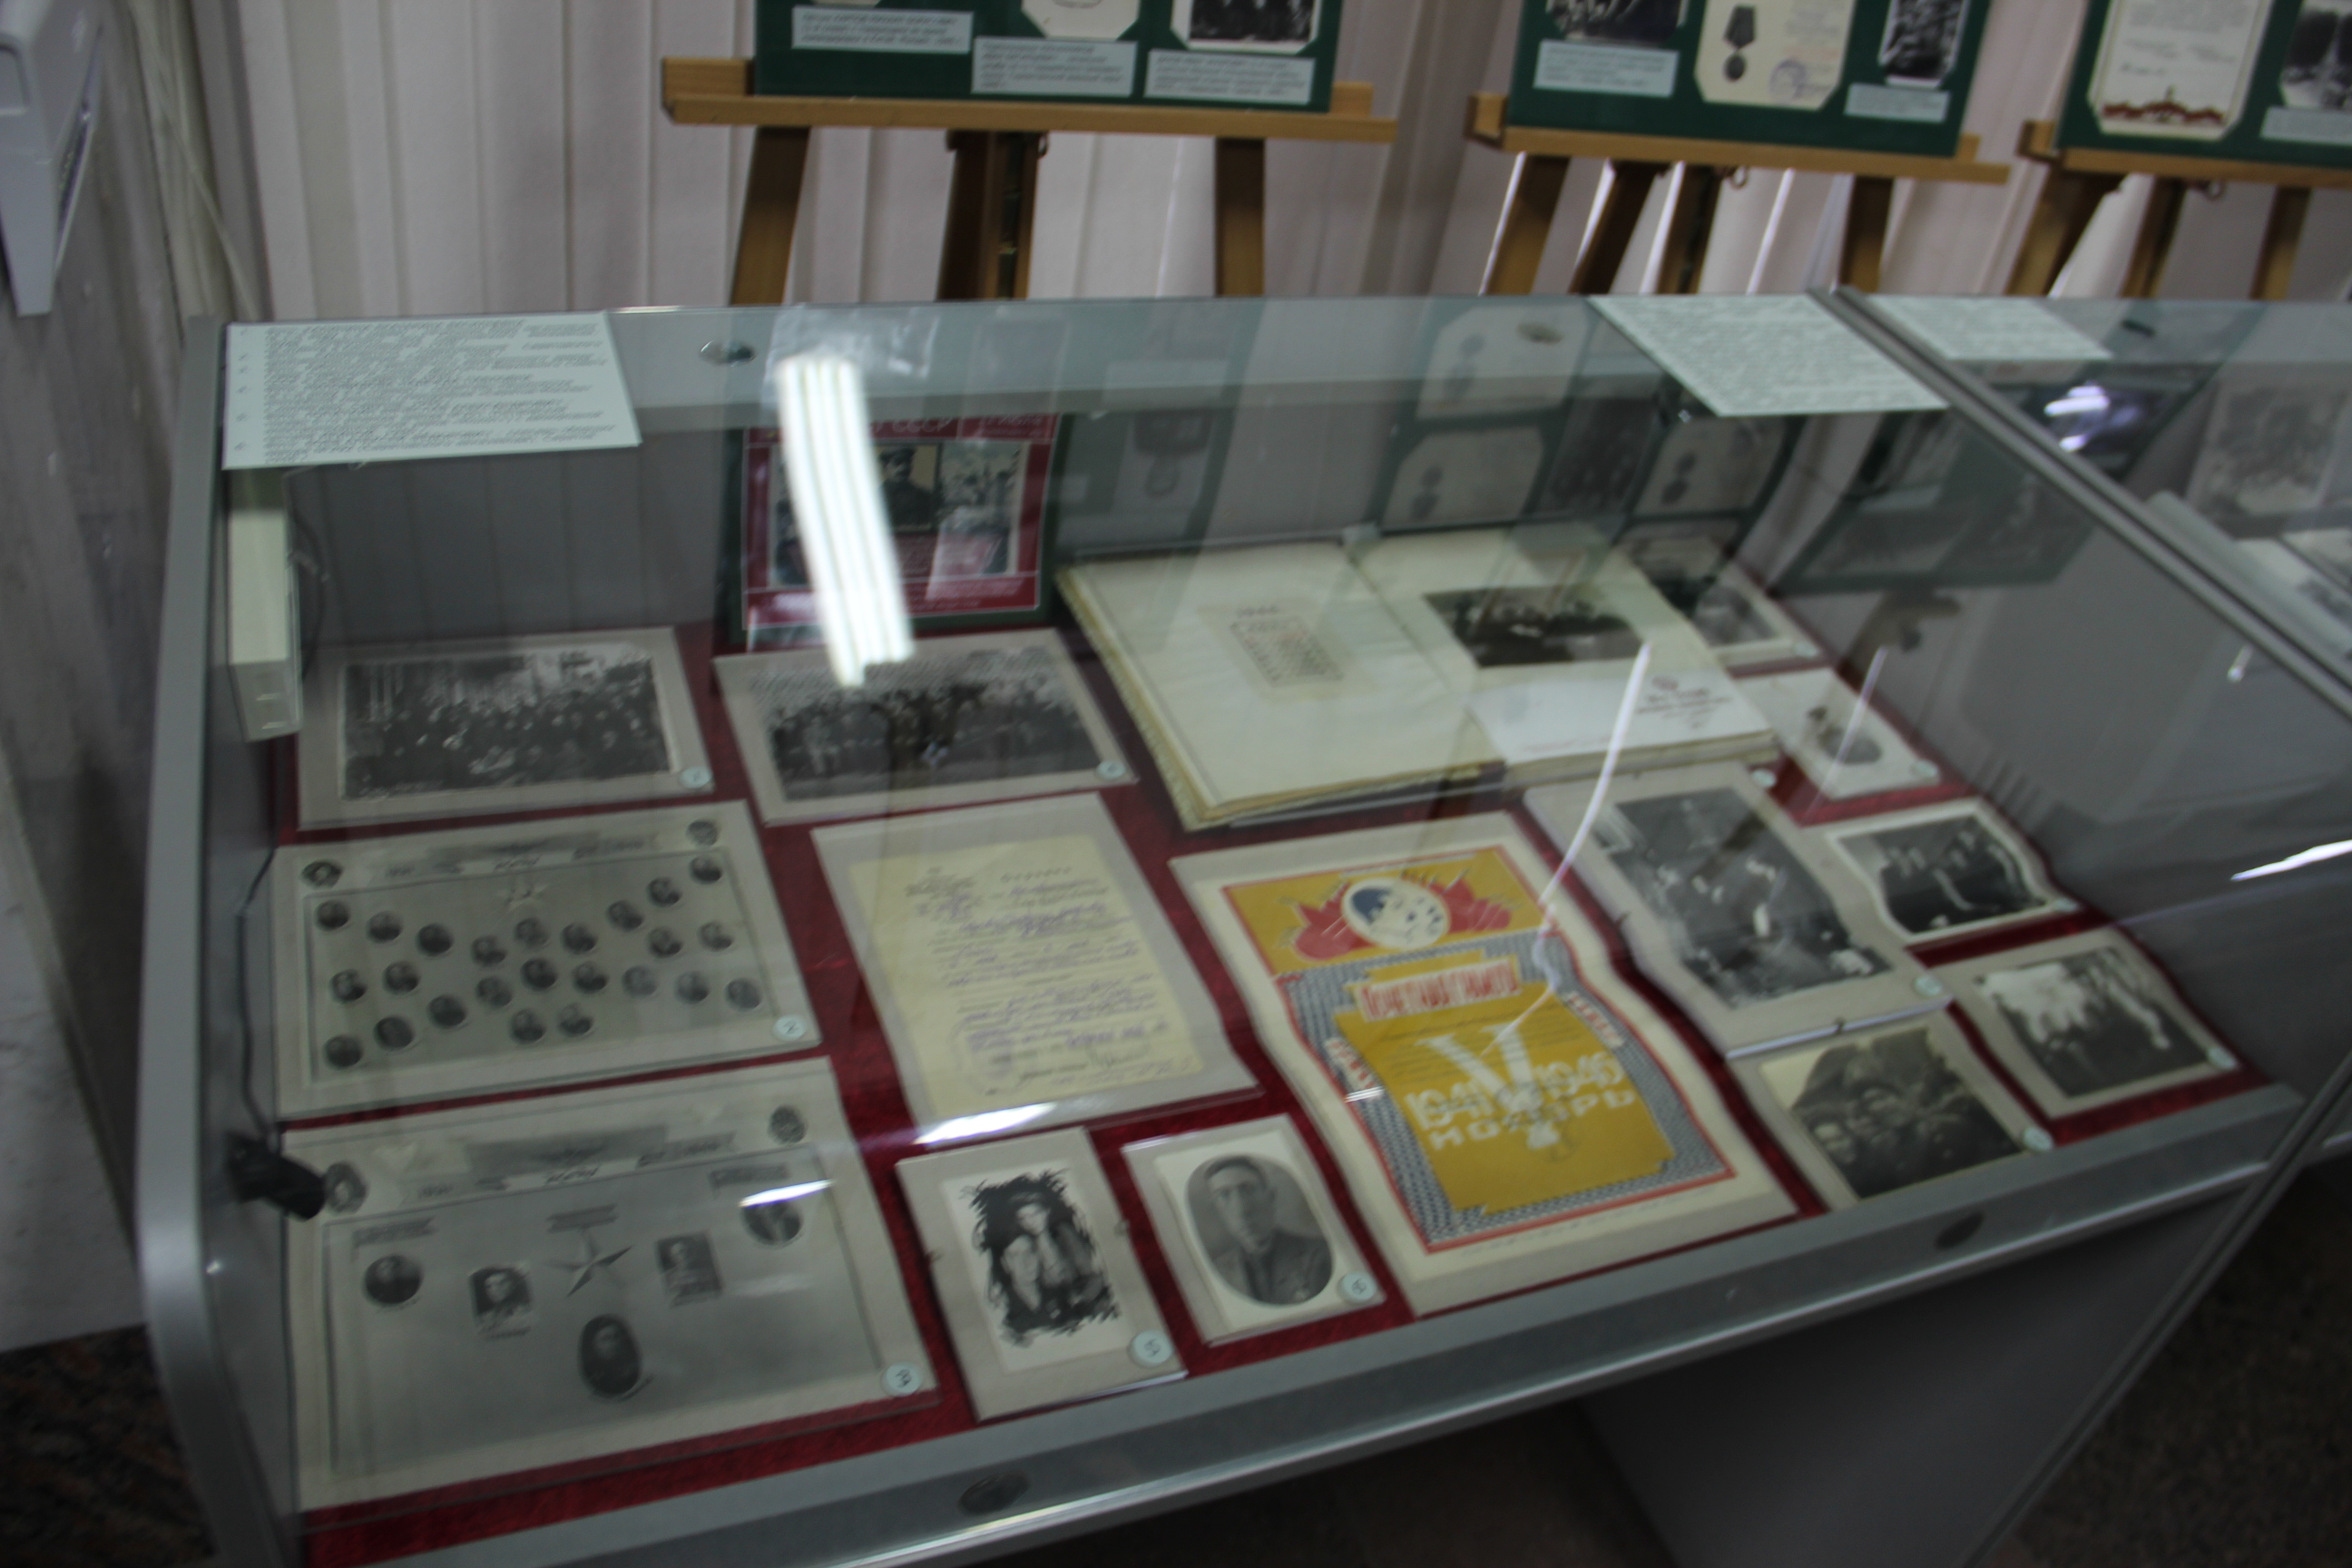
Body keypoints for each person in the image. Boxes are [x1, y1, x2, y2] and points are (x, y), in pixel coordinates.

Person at [1200, 1157, 1332, 1306]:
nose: (1241, 1210)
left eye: (1249, 1190)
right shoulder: (1217, 1272)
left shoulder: (1320, 1254)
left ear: (1270, 1197)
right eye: (1224, 1195)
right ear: (1217, 1210)